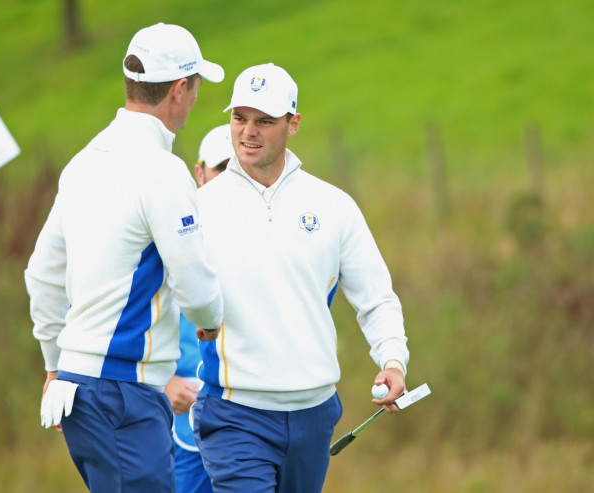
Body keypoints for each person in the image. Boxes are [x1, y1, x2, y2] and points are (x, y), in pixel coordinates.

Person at [24, 23, 225, 493]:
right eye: (195, 88)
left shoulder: (84, 161)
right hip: (121, 394)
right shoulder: (163, 172)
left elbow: (42, 276)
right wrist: (211, 321)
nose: (194, 99)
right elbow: (195, 286)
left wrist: (56, 364)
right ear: (179, 90)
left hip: (80, 387)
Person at [192, 63, 410, 492]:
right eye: (240, 118)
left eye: (264, 121)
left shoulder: (333, 205)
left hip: (314, 414)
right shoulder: (198, 207)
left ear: (293, 124)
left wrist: (392, 360)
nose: (248, 132)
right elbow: (154, 291)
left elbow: (375, 297)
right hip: (235, 414)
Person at [165, 124, 232, 493]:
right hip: (184, 416)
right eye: (220, 168)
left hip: (251, 413)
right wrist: (164, 383)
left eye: (235, 167)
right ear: (200, 172)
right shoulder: (172, 231)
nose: (227, 178)